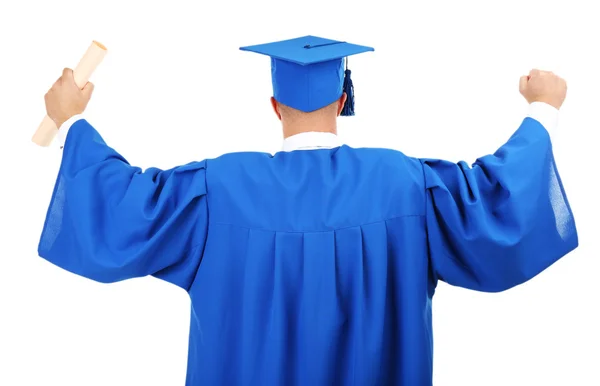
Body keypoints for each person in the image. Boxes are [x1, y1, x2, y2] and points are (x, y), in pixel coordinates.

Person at [39, 35, 578, 385]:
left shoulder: (218, 189)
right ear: (343, 100)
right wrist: (542, 111)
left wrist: (70, 123)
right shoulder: (405, 185)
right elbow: (496, 204)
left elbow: (121, 205)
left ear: (274, 106)